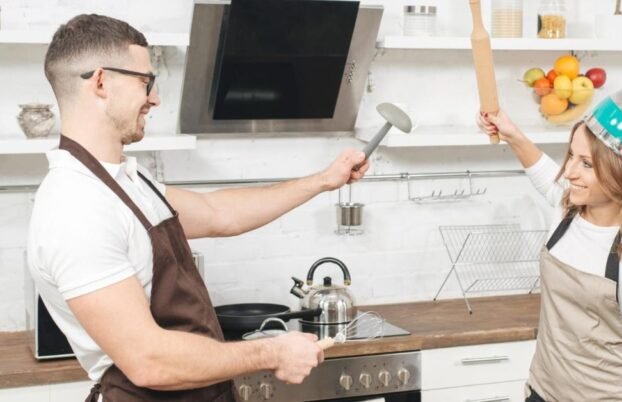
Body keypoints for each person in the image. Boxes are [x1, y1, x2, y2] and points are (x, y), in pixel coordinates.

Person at [26, 14, 370, 401]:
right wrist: (273, 351)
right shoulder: (76, 206)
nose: (154, 98)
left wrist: (325, 180)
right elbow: (148, 360)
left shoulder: (127, 182)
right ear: (102, 82)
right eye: (146, 82)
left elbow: (220, 213)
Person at [477, 89, 622, 402]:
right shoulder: (566, 208)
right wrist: (512, 133)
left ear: (620, 172)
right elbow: (542, 170)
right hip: (545, 391)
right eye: (571, 155)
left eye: (586, 163)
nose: (569, 172)